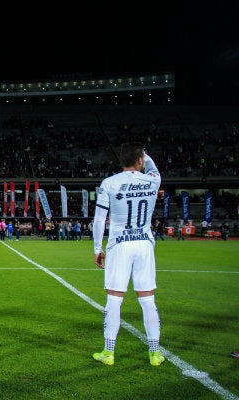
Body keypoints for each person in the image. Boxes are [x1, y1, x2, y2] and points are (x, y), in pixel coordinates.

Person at [92, 142, 165, 367]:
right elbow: (153, 167)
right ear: (140, 160)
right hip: (144, 244)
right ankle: (154, 353)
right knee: (147, 299)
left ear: (121, 160)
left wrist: (97, 248)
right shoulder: (153, 179)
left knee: (114, 299)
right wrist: (144, 153)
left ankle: (109, 352)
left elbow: (98, 220)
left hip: (119, 245)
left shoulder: (110, 183)